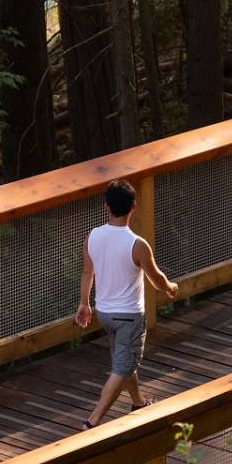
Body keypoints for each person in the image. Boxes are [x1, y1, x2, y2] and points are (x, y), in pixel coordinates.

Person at [75, 179, 178, 430]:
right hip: (129, 317)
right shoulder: (137, 244)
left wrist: (84, 304)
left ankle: (138, 402)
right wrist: (170, 287)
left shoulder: (93, 236)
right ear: (134, 206)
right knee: (123, 366)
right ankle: (93, 420)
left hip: (105, 313)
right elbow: (155, 278)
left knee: (125, 359)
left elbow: (88, 272)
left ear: (106, 207)